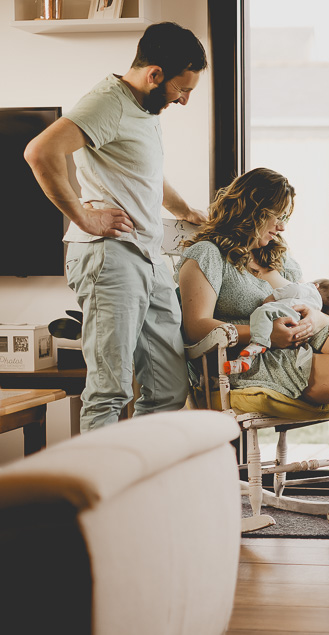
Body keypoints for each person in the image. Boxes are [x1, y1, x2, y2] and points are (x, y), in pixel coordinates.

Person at [176, 167, 329, 543]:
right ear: (253, 209)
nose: (283, 228)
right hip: (247, 363)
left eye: (286, 218)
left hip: (297, 353)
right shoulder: (207, 255)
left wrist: (316, 317)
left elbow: (307, 301)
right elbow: (195, 327)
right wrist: (261, 333)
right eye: (279, 217)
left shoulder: (281, 261)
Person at [24, 21, 209, 432]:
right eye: (183, 89)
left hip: (149, 257)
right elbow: (40, 151)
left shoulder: (146, 107)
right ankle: (100, 494)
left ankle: (134, 477)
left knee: (168, 389)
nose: (184, 100)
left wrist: (185, 211)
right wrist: (83, 216)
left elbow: (146, 173)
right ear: (154, 74)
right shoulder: (108, 102)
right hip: (110, 258)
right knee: (109, 391)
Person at [222, 276, 329, 375]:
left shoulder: (310, 289)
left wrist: (274, 296)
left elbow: (294, 289)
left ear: (316, 285)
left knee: (261, 312)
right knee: (266, 330)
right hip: (295, 321)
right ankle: (246, 359)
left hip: (285, 310)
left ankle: (257, 345)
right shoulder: (316, 307)